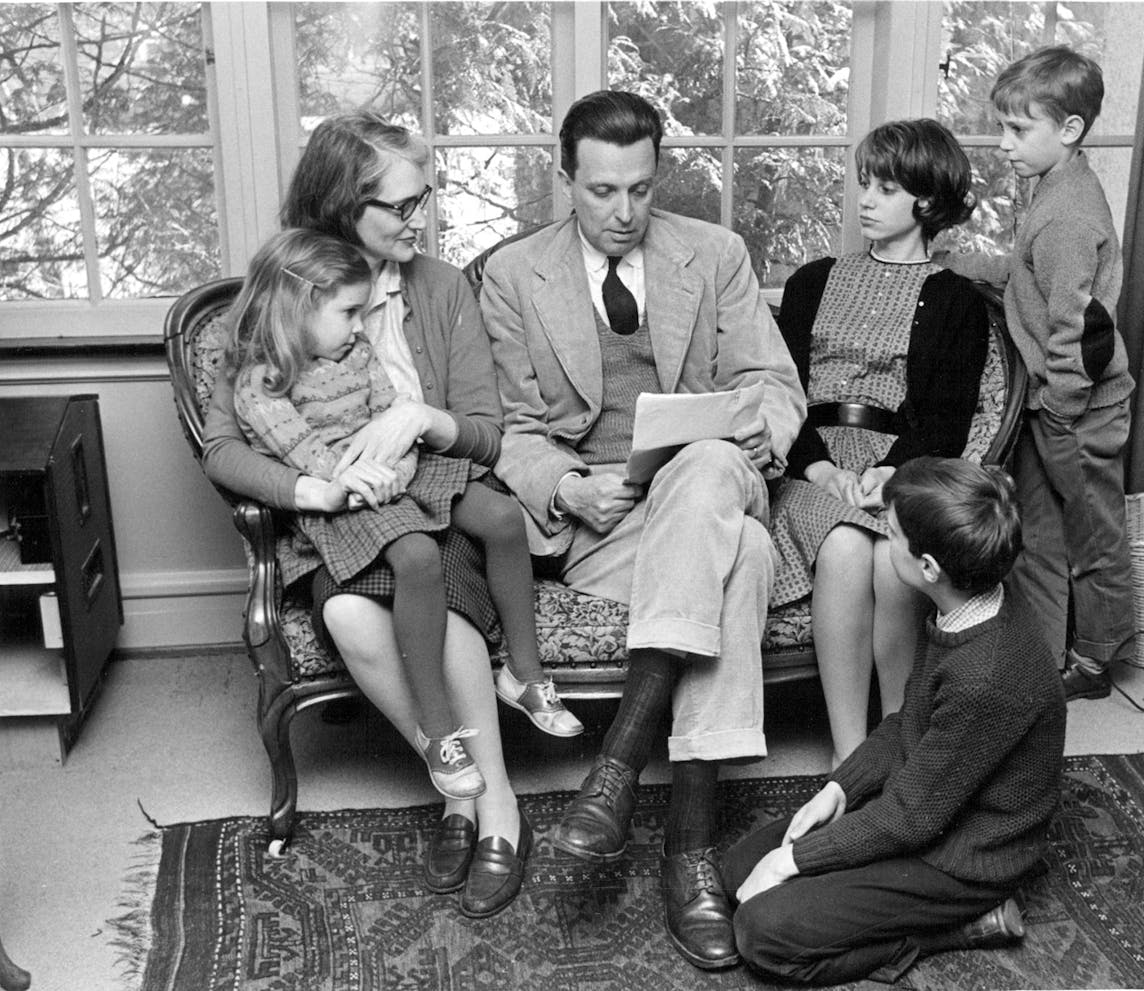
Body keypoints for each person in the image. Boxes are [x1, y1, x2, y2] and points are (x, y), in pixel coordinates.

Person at [480, 90, 805, 970]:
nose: (623, 212)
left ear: (658, 174)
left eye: (639, 188)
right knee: (739, 556)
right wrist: (568, 486)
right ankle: (689, 848)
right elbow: (511, 427)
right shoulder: (515, 275)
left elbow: (774, 384)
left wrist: (758, 428)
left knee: (703, 473)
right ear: (566, 181)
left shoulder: (716, 253)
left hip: (714, 476)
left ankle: (618, 764)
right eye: (600, 191)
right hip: (610, 524)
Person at [203, 111, 542, 918]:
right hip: (340, 516)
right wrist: (308, 489)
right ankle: (449, 774)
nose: (416, 222)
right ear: (340, 204)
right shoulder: (275, 296)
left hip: (433, 499)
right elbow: (223, 447)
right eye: (398, 205)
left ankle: (492, 806)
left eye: (422, 200)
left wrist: (425, 420)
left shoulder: (441, 286)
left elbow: (488, 433)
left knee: (449, 611)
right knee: (355, 616)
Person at [226, 227, 581, 804]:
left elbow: (390, 408)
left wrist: (399, 454)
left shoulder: (357, 351)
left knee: (501, 518)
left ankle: (524, 673)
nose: (360, 326)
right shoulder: (261, 384)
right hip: (341, 499)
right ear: (297, 306)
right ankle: (440, 733)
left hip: (395, 468)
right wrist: (356, 475)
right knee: (417, 557)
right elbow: (310, 458)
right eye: (347, 313)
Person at [724, 456, 1066, 986]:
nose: (883, 532)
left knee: (760, 933)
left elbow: (911, 819)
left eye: (893, 530)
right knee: (736, 871)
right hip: (930, 806)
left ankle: (963, 926)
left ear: (929, 567)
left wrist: (795, 862)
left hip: (966, 859)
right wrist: (839, 788)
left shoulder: (986, 674)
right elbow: (911, 722)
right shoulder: (964, 599)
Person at [770, 119, 989, 768]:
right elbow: (780, 394)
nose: (864, 199)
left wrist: (888, 477)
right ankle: (847, 758)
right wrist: (816, 467)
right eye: (864, 183)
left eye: (885, 188)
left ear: (925, 202)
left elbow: (943, 420)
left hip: (900, 468)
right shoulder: (811, 281)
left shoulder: (956, 302)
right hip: (807, 470)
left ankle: (897, 736)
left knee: (894, 561)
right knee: (845, 543)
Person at [940, 46, 1137, 701]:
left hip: (1077, 408)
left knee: (1093, 533)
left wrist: (1059, 406)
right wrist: (968, 266)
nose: (1003, 144)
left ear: (1071, 130)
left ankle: (1097, 658)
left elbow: (1080, 331)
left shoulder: (1069, 215)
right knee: (1042, 533)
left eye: (1018, 130)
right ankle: (1045, 655)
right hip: (1051, 403)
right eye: (1002, 127)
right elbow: (1035, 282)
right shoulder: (1052, 187)